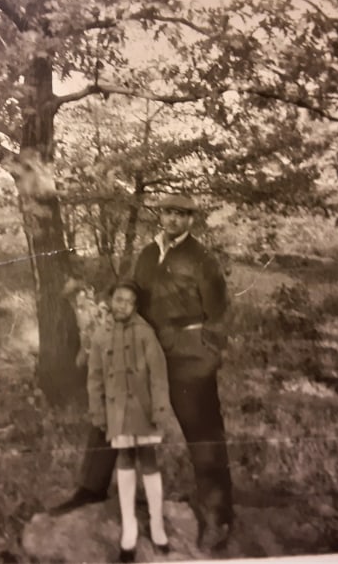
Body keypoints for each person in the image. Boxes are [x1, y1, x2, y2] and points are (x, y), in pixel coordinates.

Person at [51, 194, 234, 553]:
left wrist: (208, 354)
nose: (173, 220)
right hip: (143, 346)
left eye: (181, 215)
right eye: (168, 213)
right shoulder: (149, 254)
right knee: (111, 409)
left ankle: (218, 516)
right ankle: (90, 489)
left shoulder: (202, 259)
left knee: (203, 431)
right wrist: (114, 306)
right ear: (160, 216)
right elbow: (133, 290)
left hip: (188, 353)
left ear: (190, 220)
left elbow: (220, 312)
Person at [86, 280, 171, 562]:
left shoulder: (146, 333)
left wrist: (160, 407)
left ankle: (157, 525)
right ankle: (130, 527)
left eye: (128, 301)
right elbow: (95, 378)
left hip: (143, 408)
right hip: (117, 409)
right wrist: (97, 410)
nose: (122, 305)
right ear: (111, 300)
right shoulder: (100, 335)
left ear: (135, 306)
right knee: (124, 457)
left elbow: (158, 375)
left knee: (148, 458)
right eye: (118, 299)